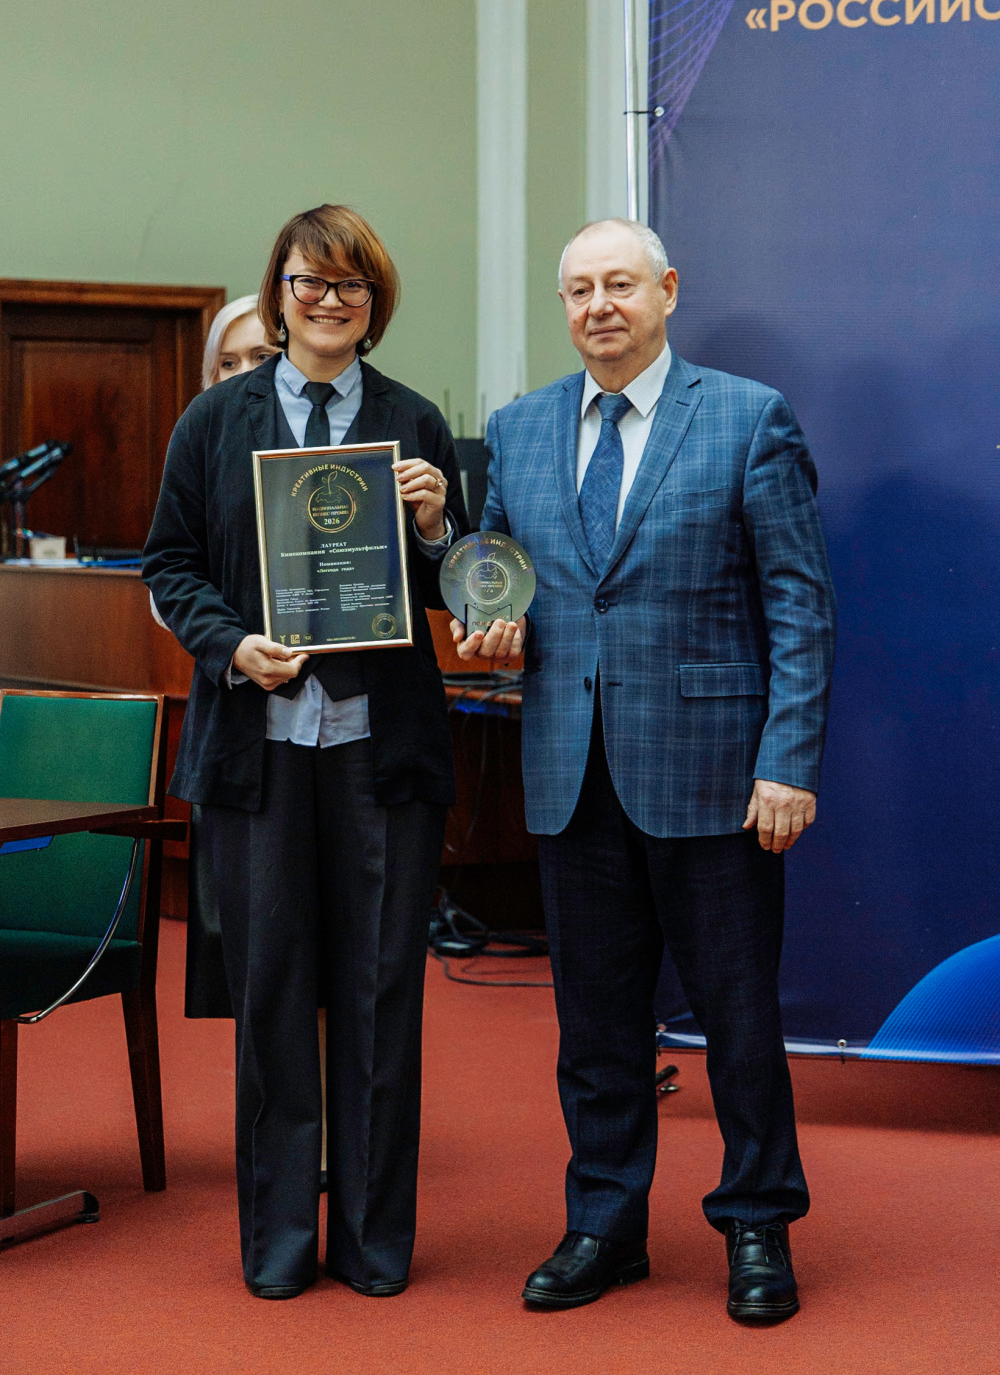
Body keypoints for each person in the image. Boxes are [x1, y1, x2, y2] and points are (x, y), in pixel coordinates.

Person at [453, 219, 836, 1323]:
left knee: (738, 1022)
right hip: (569, 771)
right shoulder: (519, 428)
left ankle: (757, 1222)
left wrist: (787, 760)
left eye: (619, 284)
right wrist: (488, 627)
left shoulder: (747, 416)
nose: (599, 307)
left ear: (666, 290)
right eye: (579, 290)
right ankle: (605, 1225)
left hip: (714, 776)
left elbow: (798, 605)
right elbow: (497, 578)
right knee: (594, 1027)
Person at [143, 204, 468, 1300]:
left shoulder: (413, 421)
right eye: (308, 282)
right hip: (261, 752)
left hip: (383, 755)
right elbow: (170, 564)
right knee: (274, 995)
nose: (329, 301)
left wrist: (437, 528)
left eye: (351, 286)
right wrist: (231, 645)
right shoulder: (214, 420)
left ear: (376, 304)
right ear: (277, 293)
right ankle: (279, 1241)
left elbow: (455, 588)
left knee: (381, 994)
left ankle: (373, 1243)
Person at [184, 296, 279, 1019]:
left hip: (339, 731)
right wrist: (232, 642)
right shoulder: (198, 440)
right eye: (229, 361)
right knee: (256, 965)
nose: (244, 372)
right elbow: (169, 576)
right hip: (235, 723)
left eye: (262, 357)